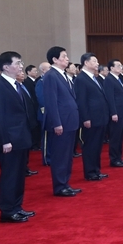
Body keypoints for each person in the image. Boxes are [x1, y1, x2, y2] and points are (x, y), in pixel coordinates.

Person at [0, 51, 36, 223]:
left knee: (19, 175)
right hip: (10, 139)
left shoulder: (16, 84)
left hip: (22, 137)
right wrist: (5, 140)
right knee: (10, 175)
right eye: (18, 63)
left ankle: (17, 206)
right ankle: (7, 210)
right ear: (6, 67)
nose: (21, 66)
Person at [41, 46, 82, 197]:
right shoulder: (51, 76)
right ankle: (59, 186)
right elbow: (51, 102)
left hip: (70, 121)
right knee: (60, 156)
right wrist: (57, 123)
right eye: (64, 56)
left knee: (67, 155)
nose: (67, 59)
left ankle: (65, 183)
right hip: (61, 123)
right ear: (55, 59)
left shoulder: (63, 75)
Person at [75, 52, 113, 181]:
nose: (97, 64)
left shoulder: (93, 77)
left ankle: (96, 170)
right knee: (90, 146)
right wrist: (85, 118)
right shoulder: (81, 79)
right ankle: (90, 172)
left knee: (97, 146)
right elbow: (81, 101)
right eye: (94, 61)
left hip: (100, 117)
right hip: (91, 118)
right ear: (86, 63)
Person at [104, 60, 123, 168]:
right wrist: (113, 112)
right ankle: (114, 159)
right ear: (111, 68)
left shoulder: (118, 79)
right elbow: (110, 98)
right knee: (115, 138)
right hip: (117, 113)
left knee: (120, 137)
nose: (121, 67)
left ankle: (119, 158)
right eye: (118, 66)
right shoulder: (109, 79)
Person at [36, 62, 51, 165]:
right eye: (49, 68)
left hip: (53, 113)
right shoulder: (41, 82)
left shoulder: (50, 80)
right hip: (45, 114)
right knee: (46, 137)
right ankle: (47, 158)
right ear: (43, 70)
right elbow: (41, 99)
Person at [25, 64, 41, 150]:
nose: (36, 72)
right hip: (32, 106)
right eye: (34, 71)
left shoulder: (36, 81)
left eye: (36, 71)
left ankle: (37, 143)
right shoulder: (27, 82)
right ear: (28, 72)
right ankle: (33, 144)